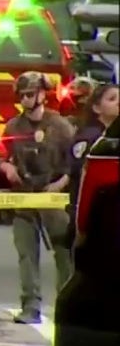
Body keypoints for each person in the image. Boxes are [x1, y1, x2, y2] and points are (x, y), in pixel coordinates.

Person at [0, 71, 75, 324]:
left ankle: (67, 306)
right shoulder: (13, 126)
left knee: (63, 252)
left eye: (30, 94)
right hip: (23, 198)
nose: (25, 100)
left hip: (52, 197)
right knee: (26, 253)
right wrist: (6, 167)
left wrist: (58, 186)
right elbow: (1, 154)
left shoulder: (61, 127)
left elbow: (73, 164)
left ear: (43, 95)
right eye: (22, 95)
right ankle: (30, 306)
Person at [65, 81, 117, 246]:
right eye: (112, 99)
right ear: (96, 108)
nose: (119, 102)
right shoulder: (89, 139)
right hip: (95, 218)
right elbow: (82, 181)